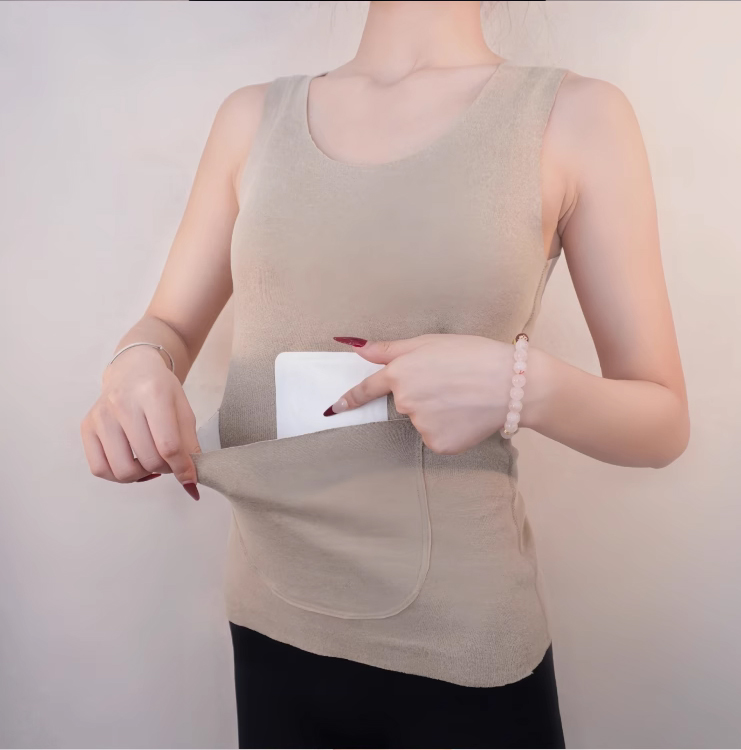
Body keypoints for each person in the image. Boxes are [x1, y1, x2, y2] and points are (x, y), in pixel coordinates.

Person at [80, 1, 690, 747]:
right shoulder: (251, 119)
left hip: (462, 650)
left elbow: (662, 421)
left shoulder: (576, 116)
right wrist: (136, 366)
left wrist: (520, 385)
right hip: (272, 622)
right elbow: (168, 326)